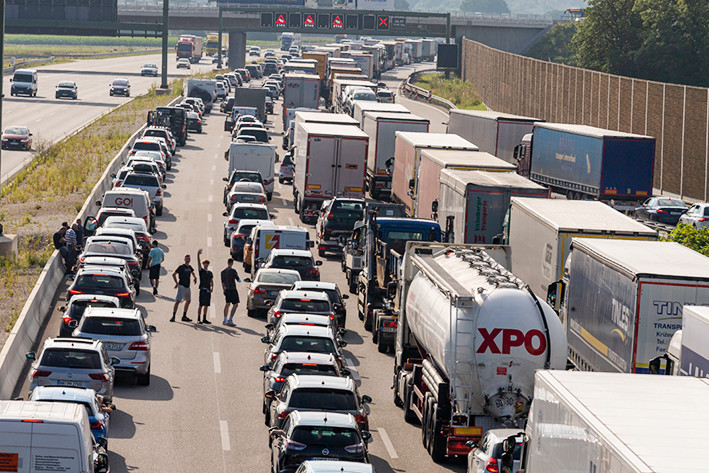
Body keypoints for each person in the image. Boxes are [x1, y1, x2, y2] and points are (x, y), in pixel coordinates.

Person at [172, 254, 196, 322]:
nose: (187, 260)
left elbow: (192, 272)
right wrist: (176, 283)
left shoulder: (190, 267)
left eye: (189, 258)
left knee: (188, 301)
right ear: (184, 259)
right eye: (186, 258)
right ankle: (173, 316)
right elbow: (174, 274)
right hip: (181, 286)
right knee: (178, 301)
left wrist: (195, 277)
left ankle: (184, 316)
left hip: (187, 286)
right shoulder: (181, 267)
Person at [220, 258, 241, 327]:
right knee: (235, 304)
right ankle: (230, 319)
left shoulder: (223, 272)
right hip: (233, 289)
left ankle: (224, 319)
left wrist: (224, 289)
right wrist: (240, 280)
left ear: (227, 262)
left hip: (227, 289)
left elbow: (222, 282)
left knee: (227, 304)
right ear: (232, 263)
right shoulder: (233, 271)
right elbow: (238, 279)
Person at [196, 249, 214, 324]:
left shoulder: (210, 273)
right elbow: (198, 264)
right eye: (204, 263)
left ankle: (204, 318)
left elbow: (211, 281)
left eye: (207, 263)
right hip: (203, 289)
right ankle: (198, 319)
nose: (206, 265)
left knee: (206, 305)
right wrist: (198, 255)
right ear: (203, 264)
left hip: (208, 290)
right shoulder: (201, 271)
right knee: (201, 305)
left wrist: (212, 288)